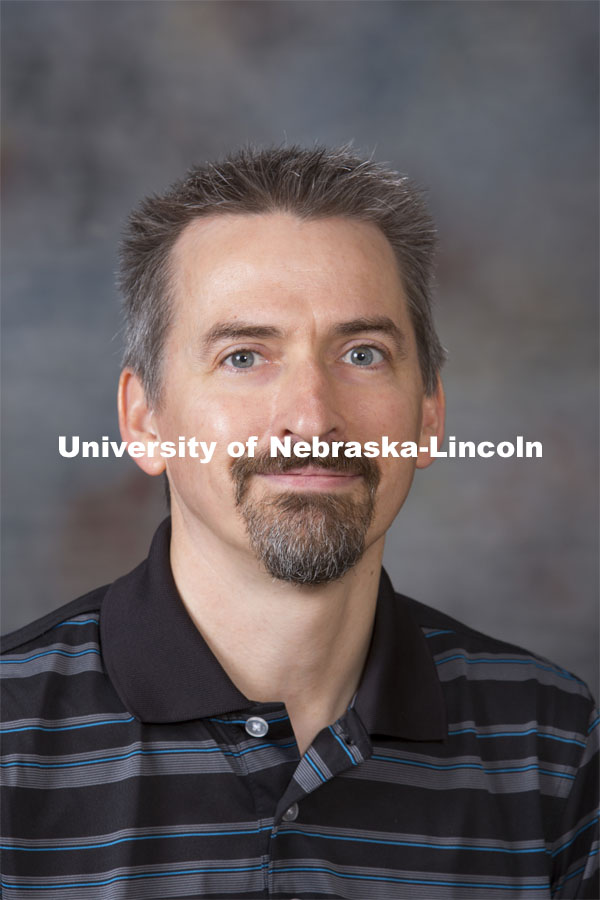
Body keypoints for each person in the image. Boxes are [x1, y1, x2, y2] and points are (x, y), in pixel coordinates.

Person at [1, 145, 597, 900]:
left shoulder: (552, 743)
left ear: (429, 414)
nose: (312, 419)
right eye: (245, 356)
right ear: (144, 419)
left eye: (362, 353)